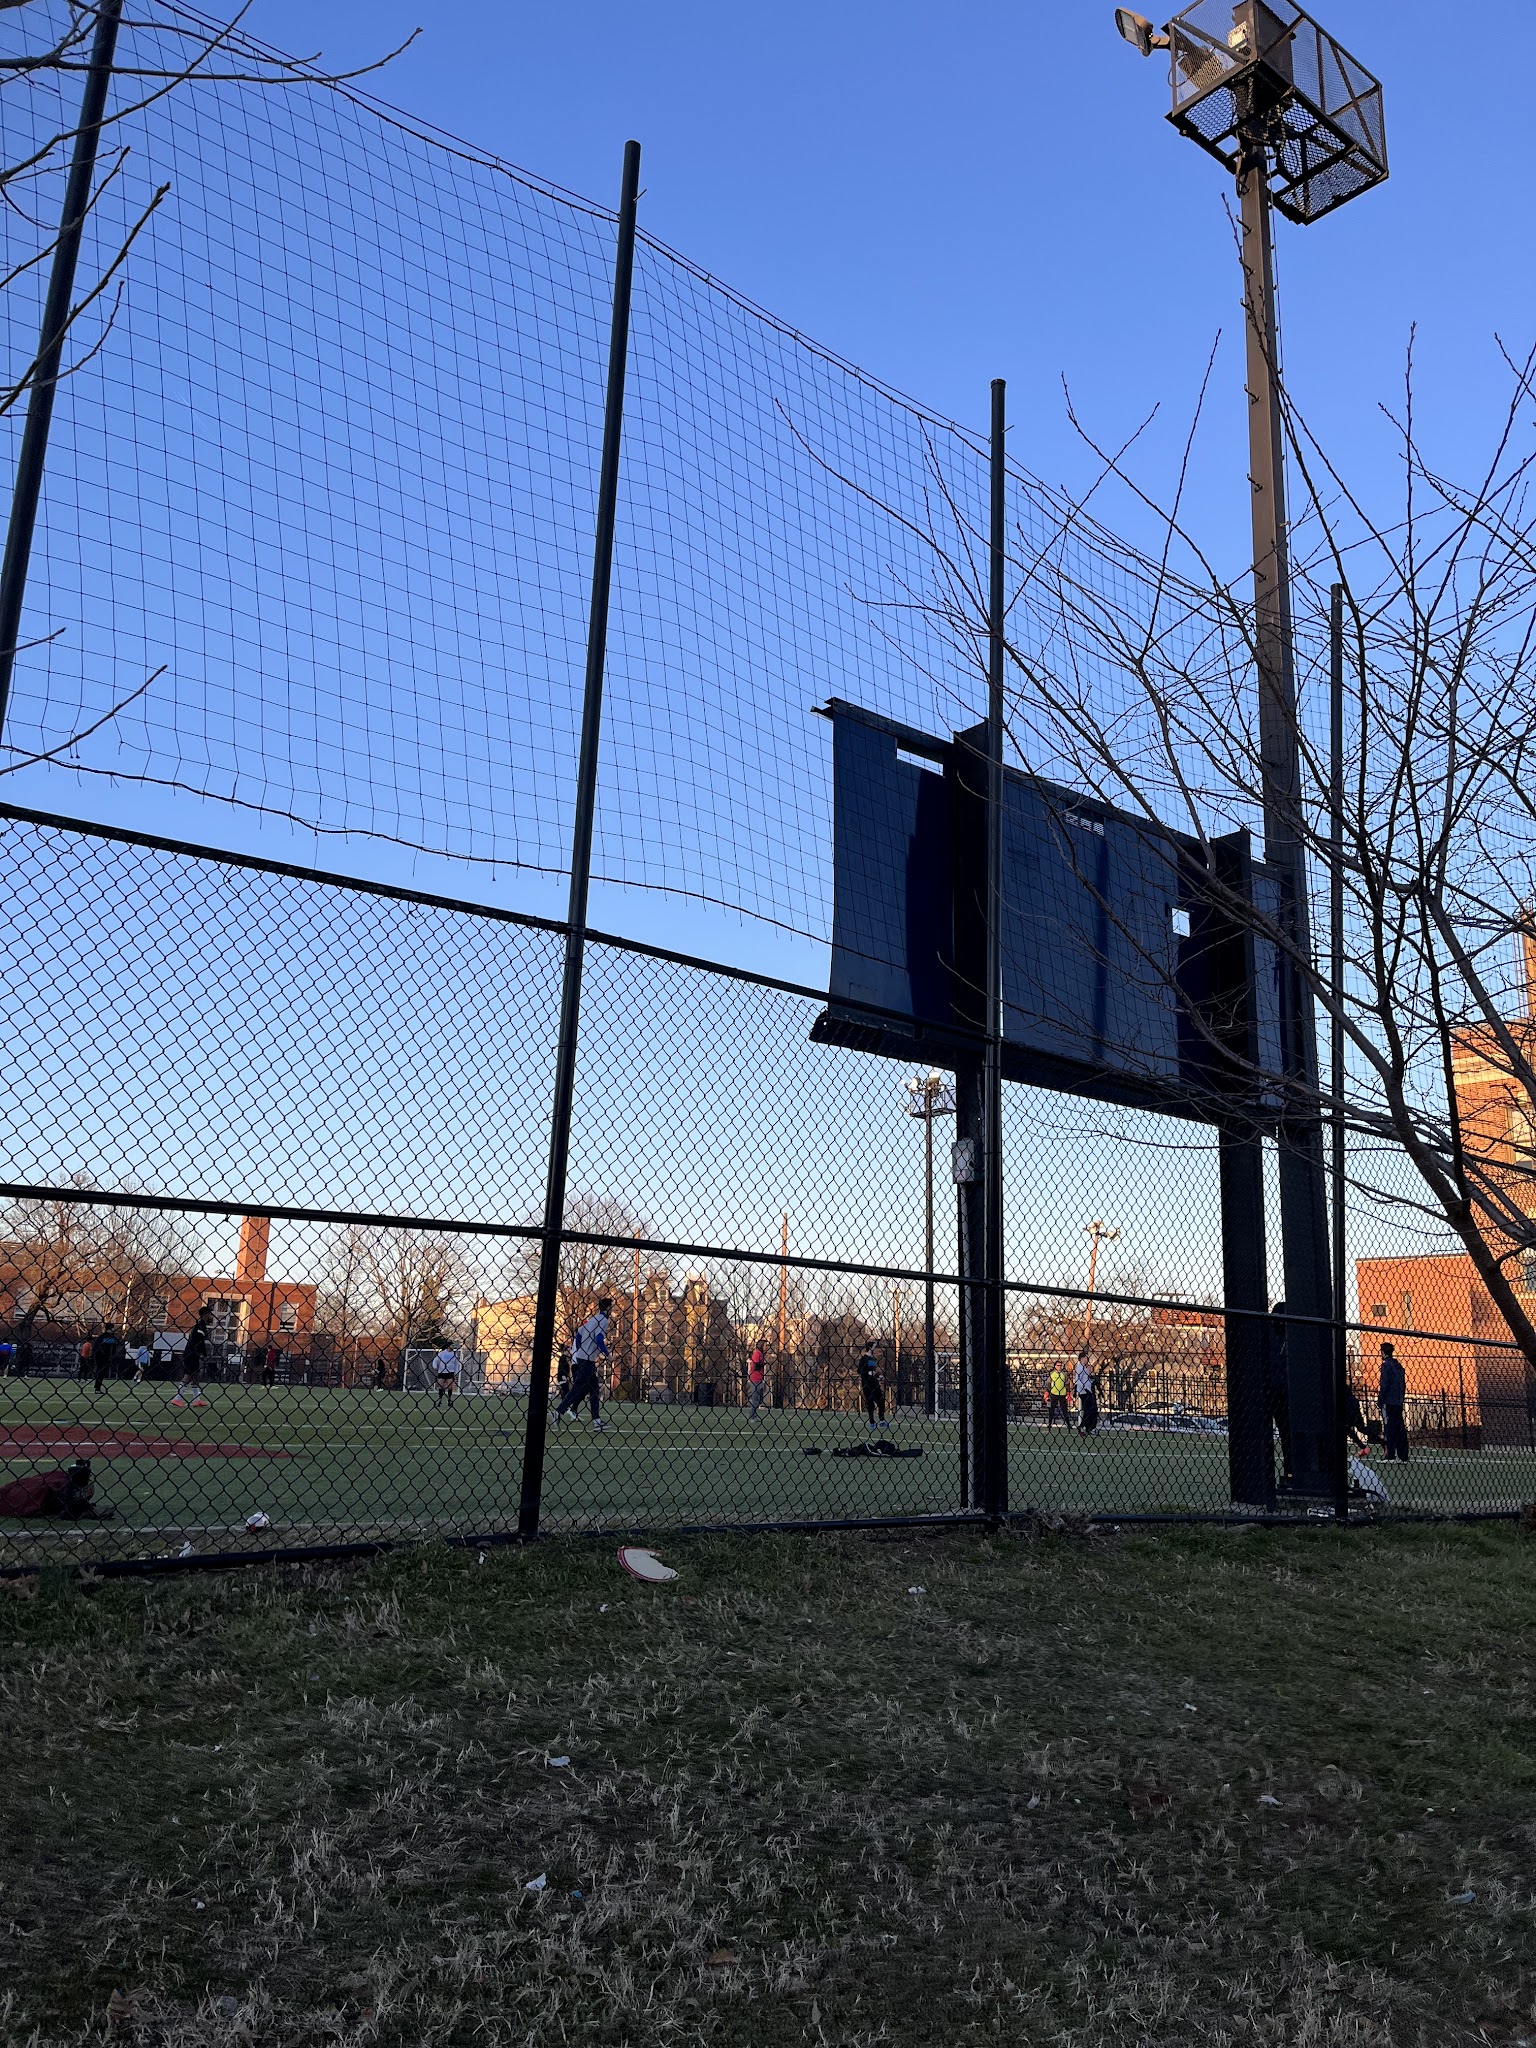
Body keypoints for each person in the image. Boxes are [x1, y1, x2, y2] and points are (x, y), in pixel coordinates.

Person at [555, 1297, 611, 1430]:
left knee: (593, 1389)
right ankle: (558, 1411)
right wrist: (608, 1355)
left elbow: (579, 1335)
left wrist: (581, 1349)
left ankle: (596, 1421)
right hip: (586, 1360)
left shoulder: (593, 1319)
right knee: (579, 1388)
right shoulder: (603, 1321)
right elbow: (598, 1339)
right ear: (608, 1308)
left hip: (584, 1358)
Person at [1378, 1340, 1409, 1463]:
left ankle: (1390, 1454)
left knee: (1389, 1428)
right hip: (1398, 1401)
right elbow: (1402, 1384)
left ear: (1383, 1352)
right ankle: (1403, 1455)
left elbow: (1384, 1384)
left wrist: (1381, 1400)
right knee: (1399, 1428)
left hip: (1389, 1401)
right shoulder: (1398, 1366)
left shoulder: (1386, 1366)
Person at [173, 1312, 210, 1410]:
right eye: (209, 1315)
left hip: (193, 1355)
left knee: (195, 1377)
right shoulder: (200, 1327)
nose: (211, 1317)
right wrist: (204, 1354)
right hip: (191, 1355)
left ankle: (197, 1400)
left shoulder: (201, 1326)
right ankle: (177, 1399)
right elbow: (200, 1342)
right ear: (204, 1315)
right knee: (188, 1375)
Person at [856, 1349, 889, 1432]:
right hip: (867, 1385)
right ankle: (872, 1422)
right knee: (870, 1404)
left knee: (881, 1402)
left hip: (875, 1385)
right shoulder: (864, 1359)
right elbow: (860, 1371)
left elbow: (874, 1372)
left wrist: (878, 1376)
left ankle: (882, 1421)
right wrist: (868, 1373)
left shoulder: (873, 1359)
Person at [1075, 1349, 1099, 1435]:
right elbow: (1077, 1380)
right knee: (1091, 1410)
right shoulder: (1080, 1367)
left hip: (1087, 1390)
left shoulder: (1084, 1368)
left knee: (1091, 1410)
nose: (1087, 1359)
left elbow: (1085, 1379)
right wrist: (1085, 1388)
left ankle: (1087, 1426)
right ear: (1082, 1358)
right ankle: (1085, 1426)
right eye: (1086, 1357)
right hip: (1085, 1392)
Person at [746, 1345, 767, 1420]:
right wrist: (763, 1364)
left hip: (759, 1378)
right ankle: (752, 1415)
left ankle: (752, 1413)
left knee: (760, 1399)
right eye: (765, 1345)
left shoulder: (761, 1354)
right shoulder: (757, 1354)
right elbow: (755, 1366)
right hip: (755, 1378)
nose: (766, 1347)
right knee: (756, 1398)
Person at [1046, 1363, 1070, 1428]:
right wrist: (1049, 1390)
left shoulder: (1064, 1374)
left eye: (1060, 1365)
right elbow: (1048, 1383)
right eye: (1058, 1365)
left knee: (1064, 1410)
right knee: (1052, 1409)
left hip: (1062, 1394)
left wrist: (1068, 1392)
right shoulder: (1052, 1374)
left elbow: (1067, 1383)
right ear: (1055, 1366)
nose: (1059, 1367)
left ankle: (1068, 1424)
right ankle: (1049, 1423)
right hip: (1054, 1393)